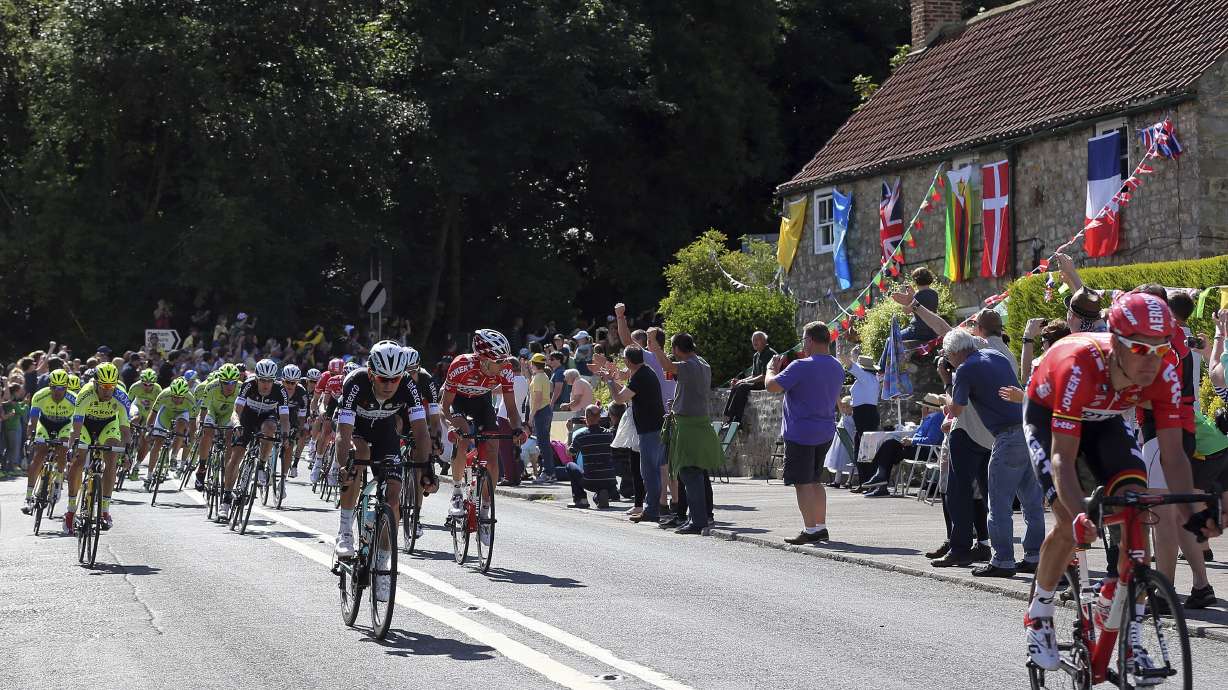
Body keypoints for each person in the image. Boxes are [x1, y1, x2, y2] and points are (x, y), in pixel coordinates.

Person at [1022, 292, 1221, 679]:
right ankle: (1039, 612)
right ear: (1115, 343)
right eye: (1139, 348)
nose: (1151, 359)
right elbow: (1063, 457)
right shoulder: (1078, 364)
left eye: (1160, 348)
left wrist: (1193, 512)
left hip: (1107, 419)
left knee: (1136, 503)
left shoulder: (1164, 370)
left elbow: (1175, 455)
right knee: (1067, 520)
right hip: (1051, 415)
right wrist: (1081, 511)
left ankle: (1131, 635)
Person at [941, 328, 1045, 578]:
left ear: (955, 352)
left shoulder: (964, 369)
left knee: (998, 502)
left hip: (1007, 436)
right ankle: (1034, 556)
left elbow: (956, 409)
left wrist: (944, 396)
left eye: (947, 355)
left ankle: (1003, 560)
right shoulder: (995, 355)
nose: (947, 359)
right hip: (1028, 428)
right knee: (1032, 502)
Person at [333, 342, 431, 605]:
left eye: (395, 379)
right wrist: (343, 466)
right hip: (357, 431)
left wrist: (427, 468)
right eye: (383, 379)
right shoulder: (356, 383)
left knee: (394, 498)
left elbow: (421, 431)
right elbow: (343, 433)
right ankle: (344, 531)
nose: (389, 385)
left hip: (386, 433)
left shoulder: (409, 387)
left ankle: (383, 564)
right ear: (371, 373)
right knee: (360, 455)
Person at [764, 321, 844, 544]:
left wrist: (771, 369)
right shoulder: (837, 366)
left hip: (801, 431)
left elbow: (772, 386)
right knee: (816, 480)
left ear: (809, 340)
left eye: (803, 339)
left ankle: (810, 529)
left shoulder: (801, 366)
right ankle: (820, 526)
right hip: (825, 430)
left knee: (802, 482)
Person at [438, 330, 523, 519]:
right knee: (464, 434)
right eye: (498, 361)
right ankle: (457, 492)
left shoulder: (506, 368)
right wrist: (452, 426)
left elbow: (511, 408)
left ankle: (485, 506)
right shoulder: (461, 365)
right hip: (457, 400)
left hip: (482, 402)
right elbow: (444, 406)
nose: (504, 365)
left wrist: (518, 428)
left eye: (505, 360)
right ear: (483, 359)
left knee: (493, 449)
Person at [648, 331, 721, 535]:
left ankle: (697, 521)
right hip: (699, 423)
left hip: (689, 426)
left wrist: (654, 346)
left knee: (689, 472)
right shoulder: (703, 363)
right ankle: (705, 516)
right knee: (700, 472)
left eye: (672, 348)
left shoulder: (689, 366)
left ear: (677, 349)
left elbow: (668, 367)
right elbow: (676, 376)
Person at [64, 363, 132, 532]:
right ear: (95, 383)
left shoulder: (121, 396)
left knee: (112, 457)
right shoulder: (85, 393)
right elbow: (77, 424)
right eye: (104, 387)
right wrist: (73, 446)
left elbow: (125, 429)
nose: (108, 391)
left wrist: (127, 453)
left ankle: (105, 511)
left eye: (112, 387)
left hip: (108, 425)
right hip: (86, 425)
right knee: (78, 460)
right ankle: (71, 511)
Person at [220, 359, 290, 520]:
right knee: (236, 456)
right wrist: (236, 425)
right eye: (263, 380)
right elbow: (235, 411)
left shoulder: (280, 390)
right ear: (257, 378)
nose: (266, 385)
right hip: (247, 417)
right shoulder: (248, 385)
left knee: (270, 429)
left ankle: (261, 466)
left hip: (267, 417)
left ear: (274, 380)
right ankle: (226, 499)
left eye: (269, 381)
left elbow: (285, 419)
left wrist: (285, 435)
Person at [603, 346, 665, 524]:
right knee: (651, 471)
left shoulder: (640, 376)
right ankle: (653, 507)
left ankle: (652, 510)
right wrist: (612, 381)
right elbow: (626, 392)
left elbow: (619, 399)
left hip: (649, 429)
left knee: (649, 472)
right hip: (653, 427)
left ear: (628, 361)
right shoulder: (644, 372)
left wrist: (609, 381)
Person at [20, 370, 75, 514]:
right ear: (50, 386)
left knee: (63, 448)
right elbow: (33, 420)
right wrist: (30, 437)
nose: (57, 391)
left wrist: (74, 440)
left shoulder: (74, 399)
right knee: (39, 453)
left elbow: (77, 423)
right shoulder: (40, 395)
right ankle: (28, 497)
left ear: (67, 387)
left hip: (65, 425)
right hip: (44, 424)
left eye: (61, 388)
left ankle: (58, 480)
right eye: (54, 387)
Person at [860, 405, 945, 498]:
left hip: (925, 451)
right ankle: (880, 481)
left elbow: (931, 440)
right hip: (918, 448)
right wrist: (910, 439)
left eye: (923, 407)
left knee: (889, 448)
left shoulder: (937, 418)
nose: (921, 409)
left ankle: (880, 482)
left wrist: (912, 441)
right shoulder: (929, 418)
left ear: (929, 408)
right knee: (889, 445)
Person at [142, 377, 196, 489]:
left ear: (185, 395)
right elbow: (153, 413)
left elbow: (192, 422)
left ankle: (174, 456)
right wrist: (148, 429)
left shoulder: (190, 399)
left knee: (180, 427)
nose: (176, 400)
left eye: (180, 397)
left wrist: (191, 437)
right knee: (157, 443)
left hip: (182, 414)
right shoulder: (164, 394)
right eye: (174, 396)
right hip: (166, 413)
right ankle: (149, 476)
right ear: (171, 393)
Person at [564, 405, 618, 509]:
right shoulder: (609, 434)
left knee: (570, 465)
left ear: (586, 417)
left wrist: (570, 432)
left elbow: (569, 453)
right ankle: (601, 494)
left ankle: (581, 499)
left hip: (591, 481)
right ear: (600, 418)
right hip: (609, 480)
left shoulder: (581, 436)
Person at [723, 331, 777, 426]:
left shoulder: (769, 353)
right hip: (758, 382)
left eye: (757, 340)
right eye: (753, 340)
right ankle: (729, 416)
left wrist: (743, 382)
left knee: (742, 387)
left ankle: (735, 419)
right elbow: (754, 375)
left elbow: (764, 376)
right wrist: (740, 380)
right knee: (737, 385)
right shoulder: (756, 355)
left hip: (766, 383)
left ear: (764, 341)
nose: (754, 342)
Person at [841, 353, 880, 483]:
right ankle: (865, 481)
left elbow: (852, 366)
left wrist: (843, 356)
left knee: (864, 449)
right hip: (864, 414)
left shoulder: (866, 377)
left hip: (865, 414)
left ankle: (867, 481)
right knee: (861, 448)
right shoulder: (869, 379)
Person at [495, 357, 529, 486]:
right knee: (515, 448)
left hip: (505, 415)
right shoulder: (524, 380)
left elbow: (495, 391)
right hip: (517, 417)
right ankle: (516, 476)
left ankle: (509, 477)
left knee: (505, 449)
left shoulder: (510, 379)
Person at [526, 354, 556, 483]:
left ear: (533, 364)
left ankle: (548, 473)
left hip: (540, 412)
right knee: (544, 443)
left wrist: (531, 417)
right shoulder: (543, 376)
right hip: (545, 410)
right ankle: (549, 472)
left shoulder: (538, 378)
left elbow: (537, 400)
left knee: (543, 444)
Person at [560, 369, 594, 434]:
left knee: (577, 433)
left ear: (571, 376)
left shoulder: (578, 383)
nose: (565, 379)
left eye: (566, 377)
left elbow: (577, 400)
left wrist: (567, 405)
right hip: (583, 411)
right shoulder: (580, 382)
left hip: (581, 412)